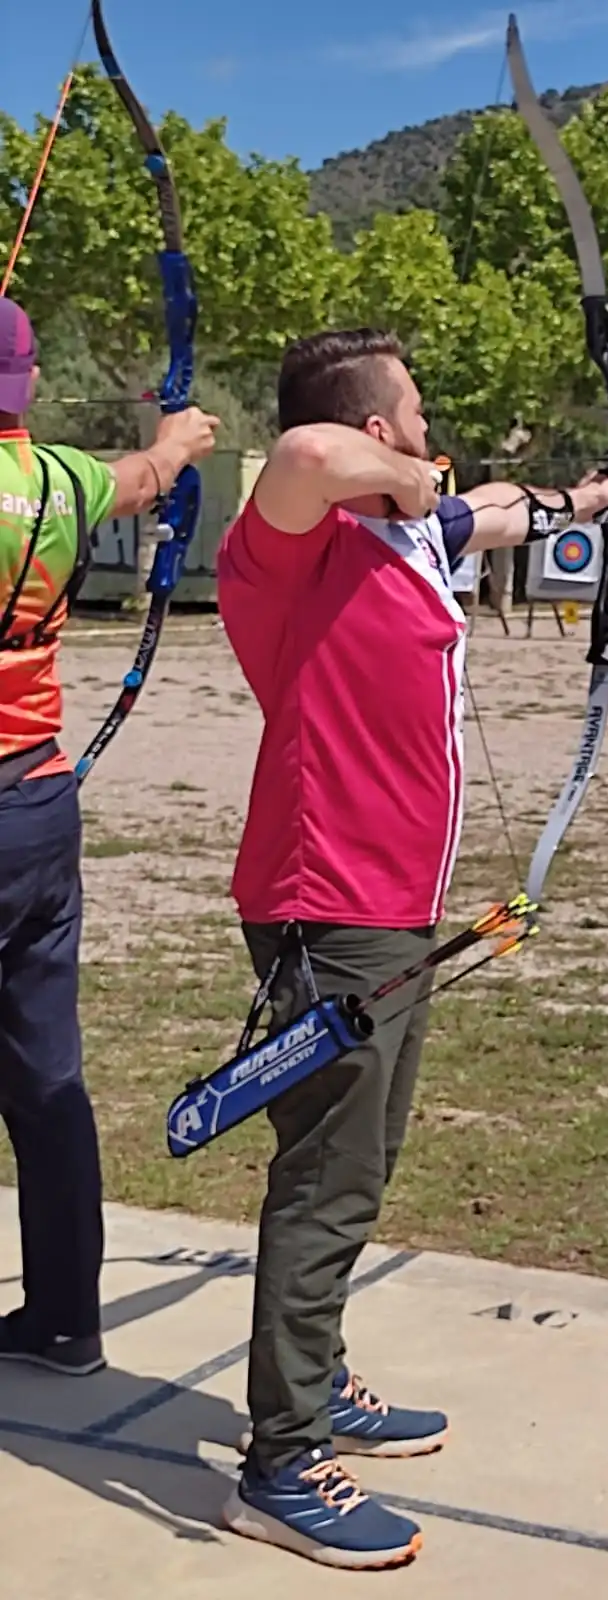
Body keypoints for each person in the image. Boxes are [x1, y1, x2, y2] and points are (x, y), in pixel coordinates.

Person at [216, 326, 608, 1570]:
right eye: (416, 411)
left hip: (393, 906)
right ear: (381, 431)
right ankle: (281, 1460)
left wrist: (585, 499)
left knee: (370, 1151)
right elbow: (300, 449)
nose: (432, 429)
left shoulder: (407, 540)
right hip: (322, 903)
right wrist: (407, 484)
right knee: (327, 1175)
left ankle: (321, 1373)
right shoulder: (289, 548)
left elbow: (493, 514)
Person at [0, 296, 219, 1376]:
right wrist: (179, 436)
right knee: (45, 1076)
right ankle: (64, 1319)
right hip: (37, 805)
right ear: (28, 386)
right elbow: (148, 473)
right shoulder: (62, 481)